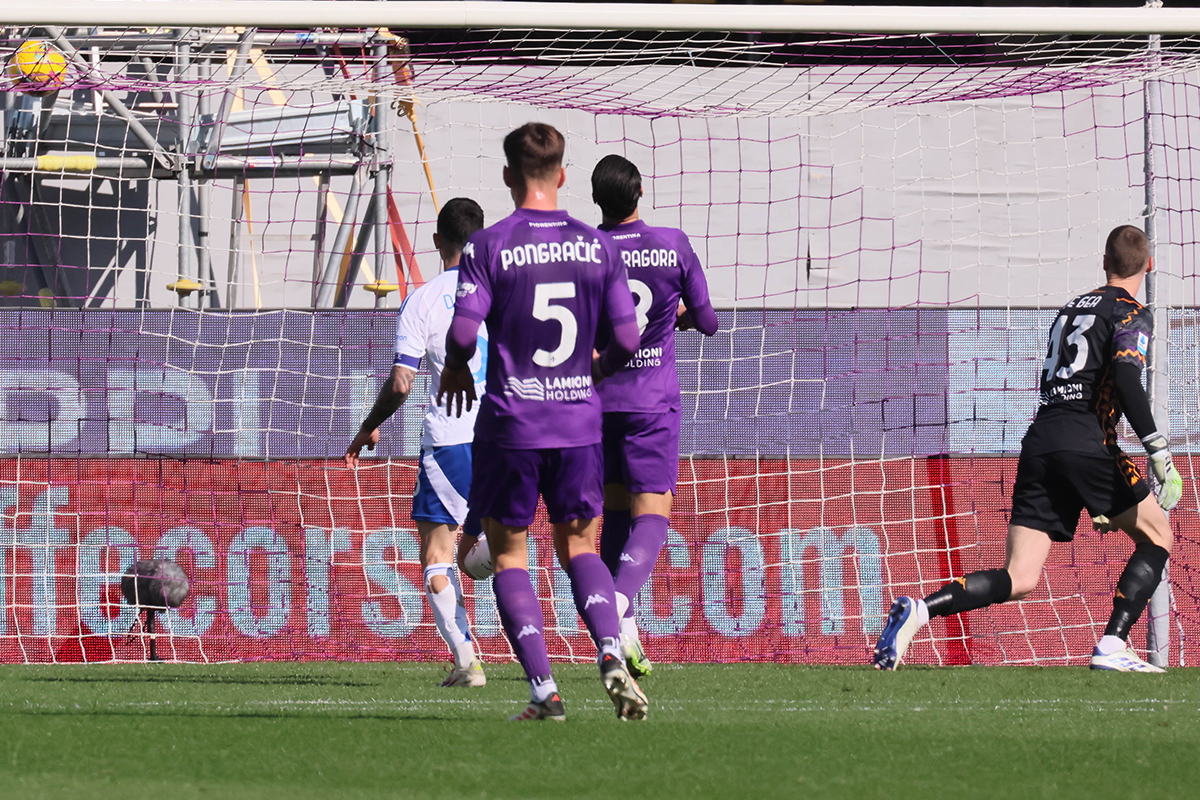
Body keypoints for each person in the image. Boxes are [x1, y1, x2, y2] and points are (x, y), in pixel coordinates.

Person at [874, 225, 1183, 672]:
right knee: (1158, 534)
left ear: (1104, 263)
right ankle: (1114, 643)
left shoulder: (1071, 309)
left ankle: (919, 610)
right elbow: (1128, 381)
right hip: (1087, 439)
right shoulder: (1131, 312)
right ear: (1149, 265)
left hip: (1041, 441)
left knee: (1020, 576)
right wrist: (1156, 447)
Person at [438, 122, 646, 721]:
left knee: (508, 558)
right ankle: (610, 647)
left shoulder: (488, 246)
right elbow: (629, 340)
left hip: (513, 423)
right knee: (581, 548)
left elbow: (462, 331)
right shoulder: (598, 246)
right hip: (579, 422)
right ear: (562, 174)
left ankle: (544, 692)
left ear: (508, 177)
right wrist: (592, 372)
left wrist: (456, 367)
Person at [345, 197, 491, 687]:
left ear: (436, 242)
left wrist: (369, 424)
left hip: (451, 442)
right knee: (498, 551)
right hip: (508, 439)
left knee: (437, 556)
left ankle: (466, 660)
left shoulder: (424, 300)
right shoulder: (506, 295)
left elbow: (403, 382)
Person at [590, 154, 719, 678]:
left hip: (596, 402)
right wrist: (680, 316)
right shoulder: (672, 243)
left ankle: (627, 637)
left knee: (616, 516)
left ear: (597, 199)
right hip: (650, 403)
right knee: (653, 517)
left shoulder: (584, 248)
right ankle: (618, 608)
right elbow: (708, 321)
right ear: (639, 192)